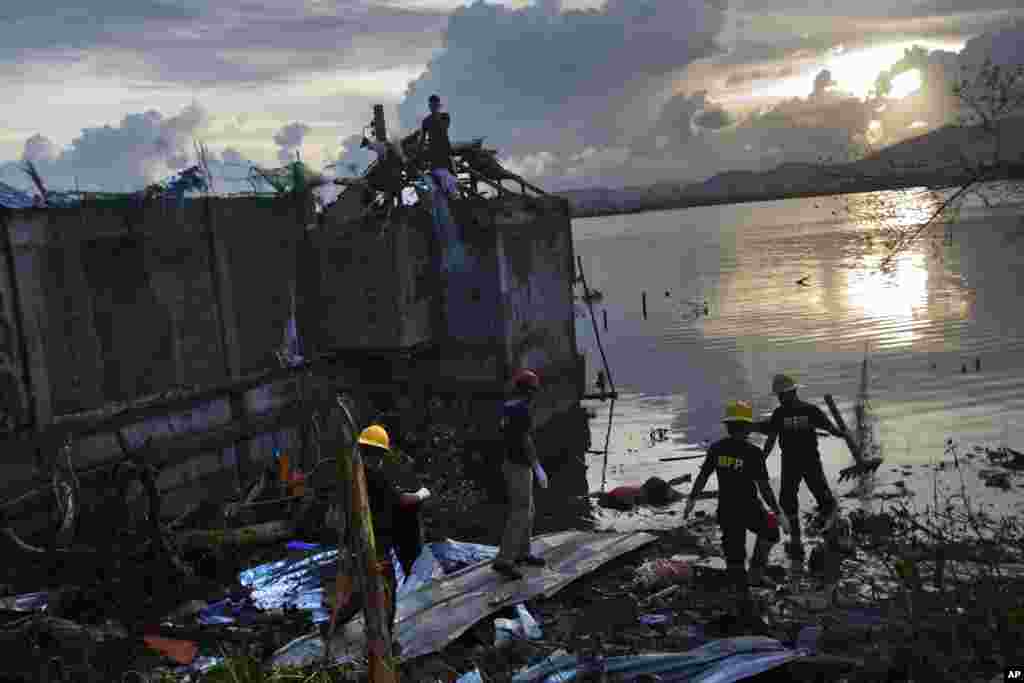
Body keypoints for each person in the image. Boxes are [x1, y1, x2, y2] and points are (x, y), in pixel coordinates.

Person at [333, 424, 430, 636]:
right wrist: (421, 494)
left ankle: (336, 622)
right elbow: (402, 501)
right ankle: (384, 637)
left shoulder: (352, 474)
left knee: (364, 586)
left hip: (357, 541)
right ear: (379, 453)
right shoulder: (375, 476)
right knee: (387, 590)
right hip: (376, 543)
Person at [683, 400, 784, 591]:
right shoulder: (753, 453)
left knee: (734, 554)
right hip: (750, 508)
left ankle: (739, 588)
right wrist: (778, 513)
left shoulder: (716, 448)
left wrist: (692, 499)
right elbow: (764, 488)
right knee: (771, 531)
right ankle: (755, 576)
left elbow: (703, 476)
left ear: (728, 426)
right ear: (747, 427)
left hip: (727, 509)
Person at [759, 374, 847, 564]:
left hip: (803, 461)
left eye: (782, 395)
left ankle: (825, 536)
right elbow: (772, 438)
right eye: (779, 396)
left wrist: (841, 433)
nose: (780, 398)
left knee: (816, 496)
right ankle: (799, 540)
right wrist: (762, 458)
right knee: (793, 499)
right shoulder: (791, 412)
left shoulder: (799, 412)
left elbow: (828, 427)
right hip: (797, 461)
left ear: (792, 393)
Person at [492, 368, 549, 580]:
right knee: (520, 511)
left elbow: (507, 434)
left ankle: (523, 553)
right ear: (530, 391)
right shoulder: (522, 409)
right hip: (519, 466)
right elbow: (525, 440)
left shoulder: (507, 406)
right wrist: (537, 466)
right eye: (534, 390)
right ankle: (504, 560)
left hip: (510, 462)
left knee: (528, 510)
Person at [418, 94, 458, 197]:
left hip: (445, 150)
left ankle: (454, 195)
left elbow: (444, 128)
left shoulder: (445, 116)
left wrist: (436, 115)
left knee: (451, 175)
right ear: (429, 105)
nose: (433, 106)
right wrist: (419, 152)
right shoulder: (426, 121)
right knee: (436, 177)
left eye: (435, 104)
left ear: (438, 105)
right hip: (434, 152)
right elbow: (422, 139)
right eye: (431, 104)